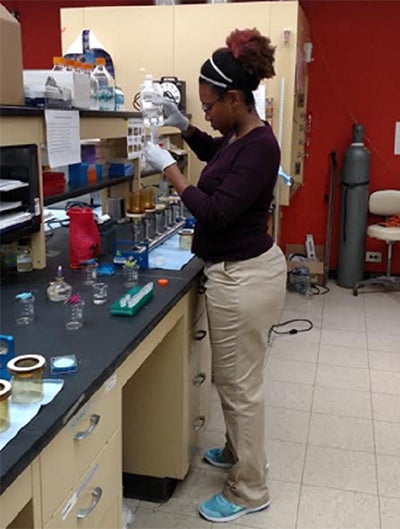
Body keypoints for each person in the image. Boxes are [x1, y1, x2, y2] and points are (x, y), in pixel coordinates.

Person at [144, 28, 287, 524]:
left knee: (240, 387)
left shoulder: (261, 147)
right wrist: (183, 128)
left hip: (243, 278)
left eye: (207, 106)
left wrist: (170, 171)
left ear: (234, 98)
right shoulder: (240, 137)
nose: (206, 114)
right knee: (237, 380)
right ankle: (233, 451)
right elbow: (216, 155)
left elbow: (216, 213)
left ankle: (251, 490)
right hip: (238, 273)